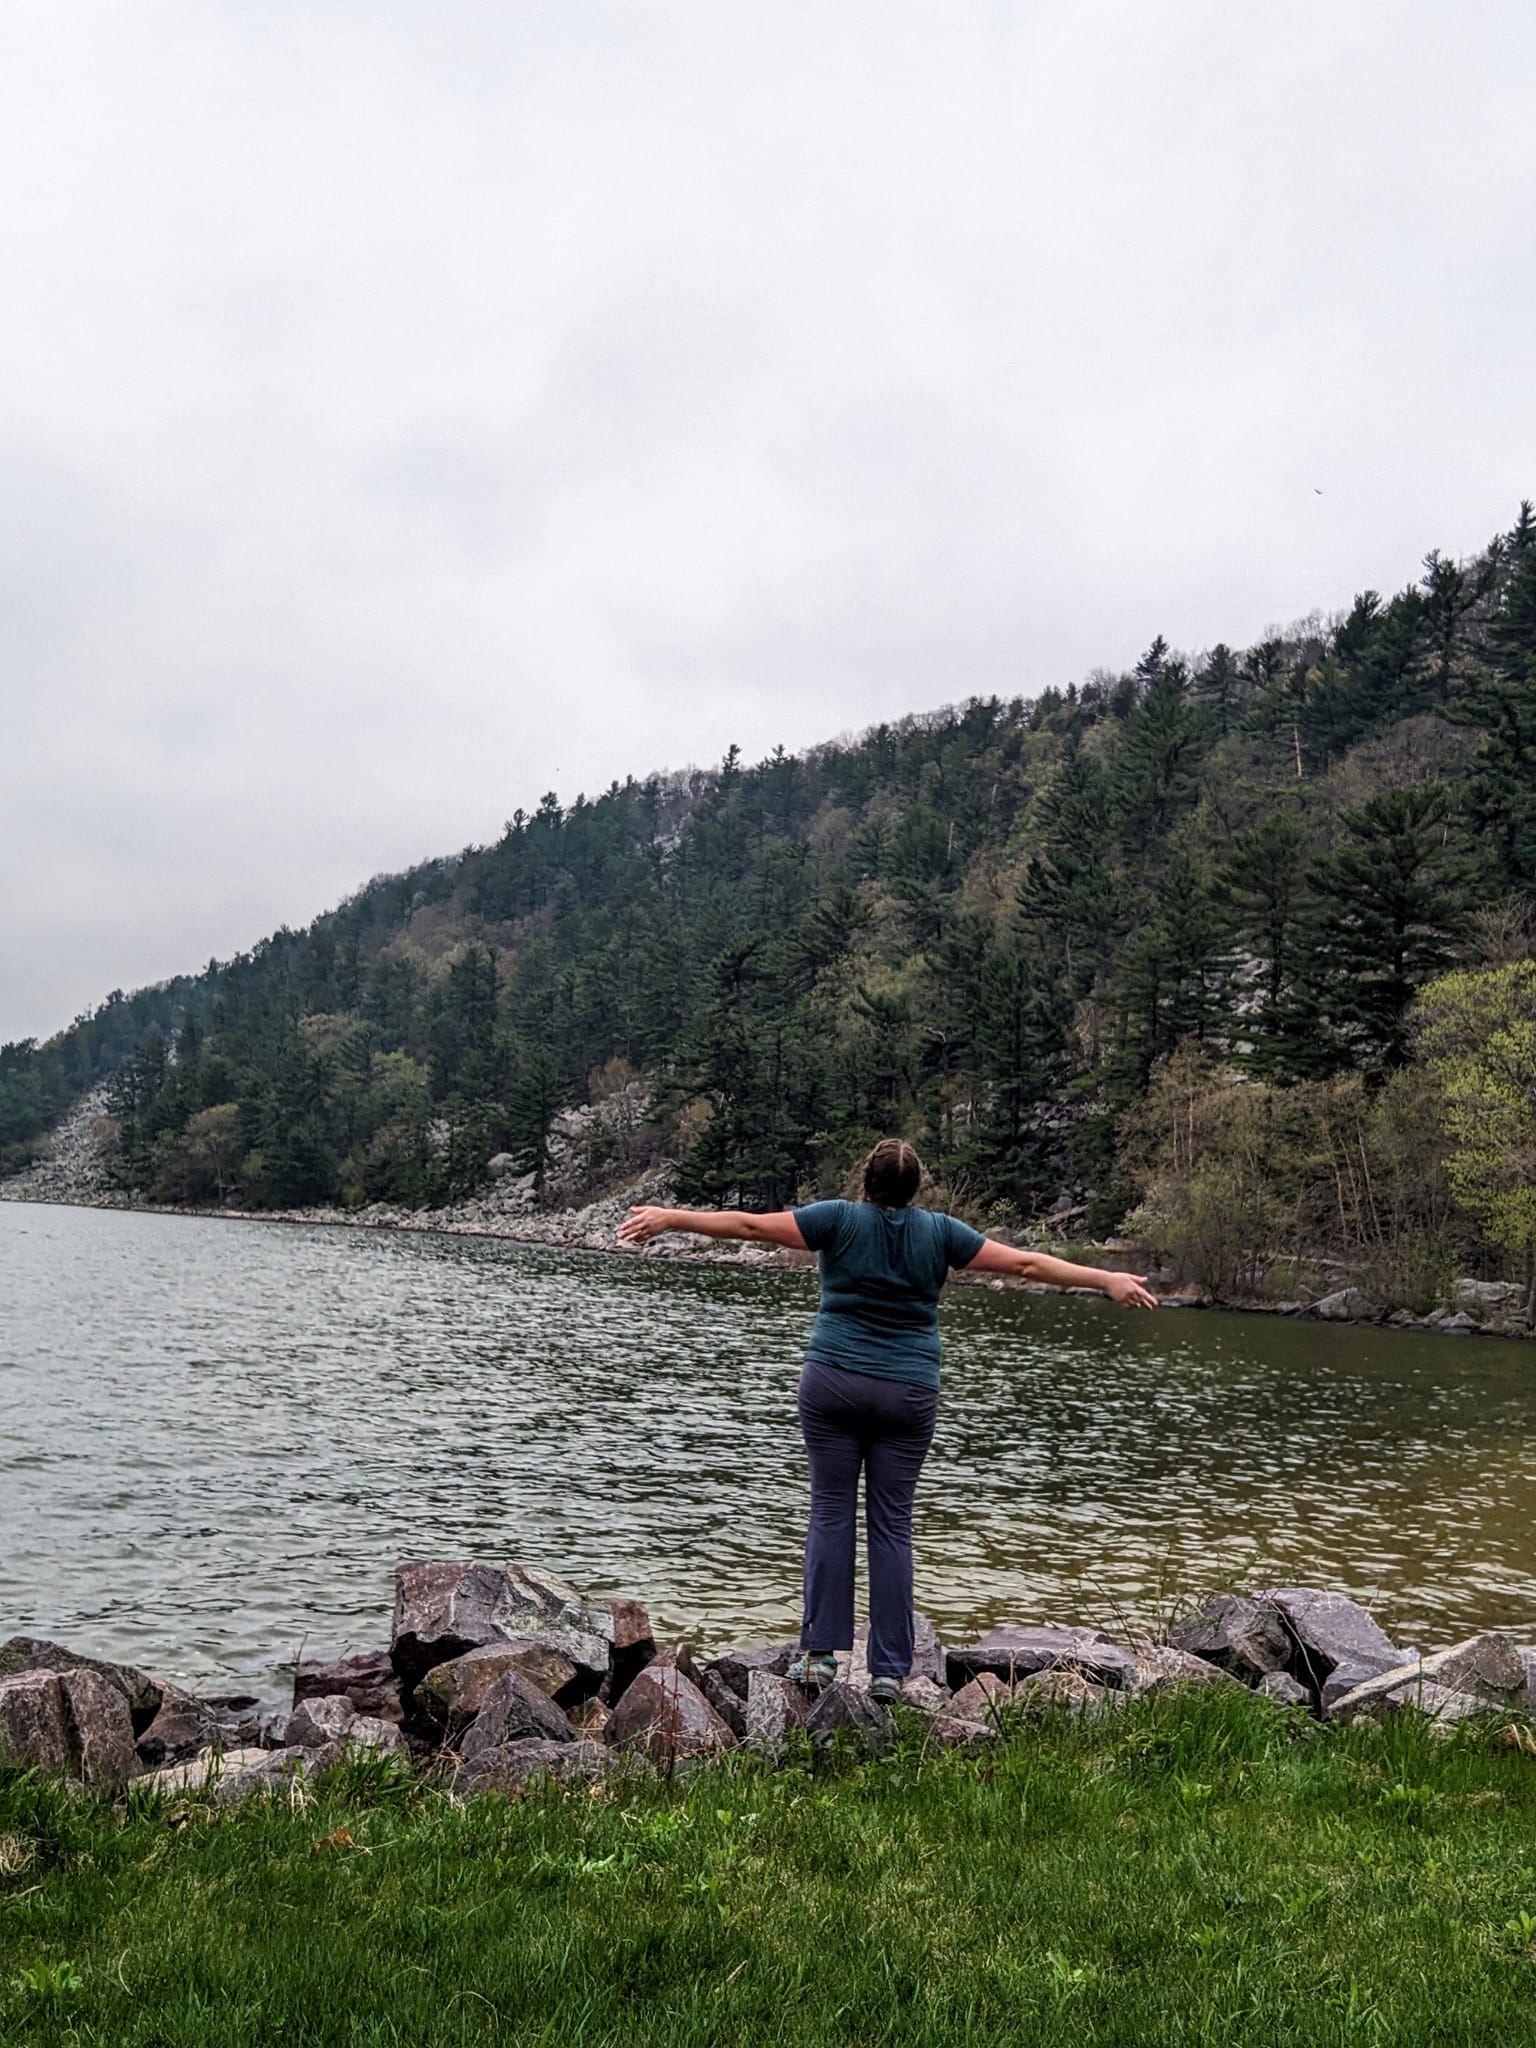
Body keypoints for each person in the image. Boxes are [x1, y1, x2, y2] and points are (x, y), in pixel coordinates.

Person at [617, 1138, 1157, 1704]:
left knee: (830, 1510)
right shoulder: (942, 1233)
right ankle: (888, 1671)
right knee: (892, 1525)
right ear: (915, 1188)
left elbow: (750, 1228)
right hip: (908, 1392)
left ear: (865, 1181)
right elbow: (1026, 1262)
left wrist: (671, 1217)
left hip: (832, 1382)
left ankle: (821, 1659)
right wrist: (1105, 1279)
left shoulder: (837, 1219)